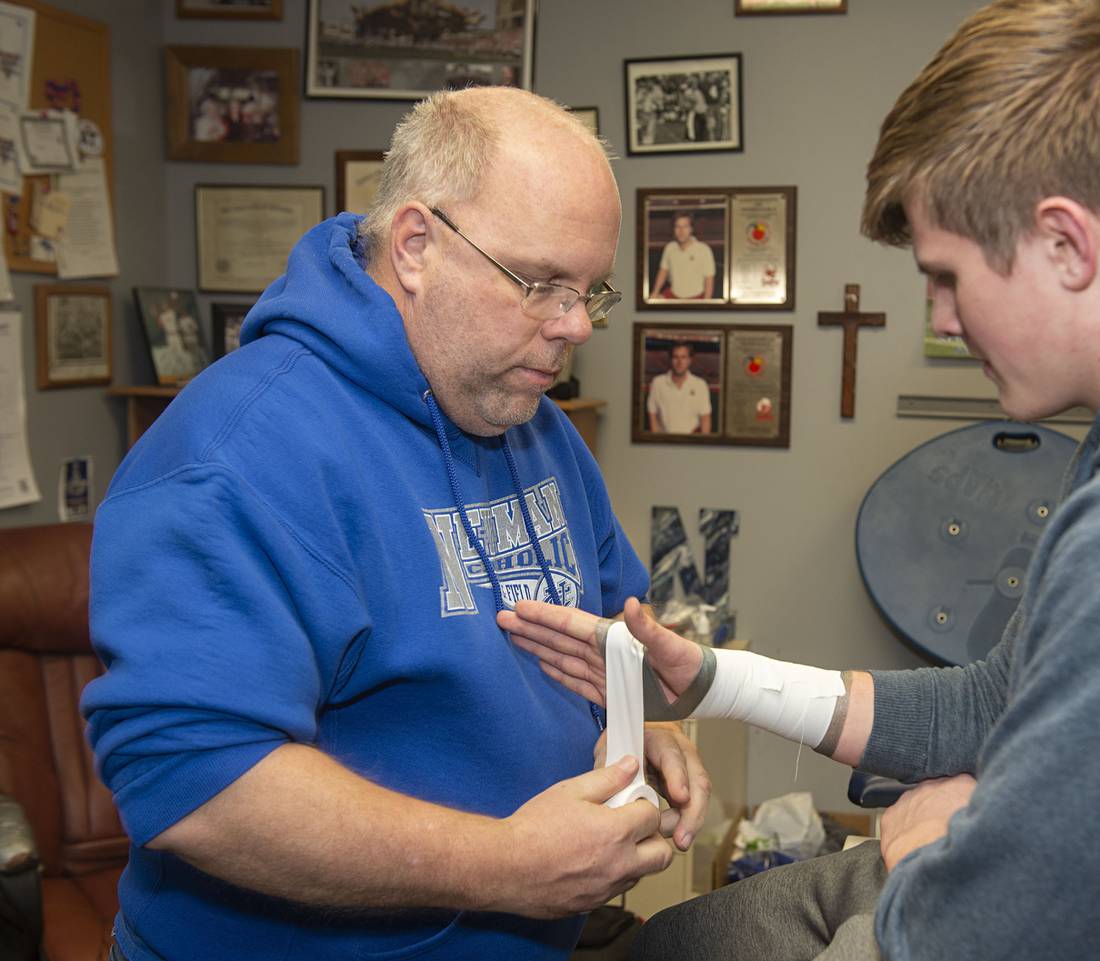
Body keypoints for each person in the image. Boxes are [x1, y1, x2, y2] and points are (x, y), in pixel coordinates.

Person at [501, 1, 1100, 959]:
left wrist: (913, 851)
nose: (942, 319)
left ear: (1065, 244)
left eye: (946, 276)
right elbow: (996, 705)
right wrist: (718, 680)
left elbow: (998, 930)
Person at [82, 87, 711, 961]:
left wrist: (644, 729)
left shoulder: (535, 423)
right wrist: (502, 864)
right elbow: (195, 786)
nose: (574, 326)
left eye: (588, 292)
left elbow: (611, 641)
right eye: (541, 285)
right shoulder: (234, 454)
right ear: (416, 245)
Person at [647, 341, 713, 434]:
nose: (679, 362)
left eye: (683, 357)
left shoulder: (700, 385)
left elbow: (705, 419)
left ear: (690, 360)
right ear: (670, 359)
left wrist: (702, 445)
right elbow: (652, 415)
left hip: (691, 444)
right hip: (664, 443)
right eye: (675, 357)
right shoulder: (657, 383)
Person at [651, 211, 716, 300]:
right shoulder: (670, 248)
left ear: (691, 229)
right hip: (673, 296)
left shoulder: (704, 250)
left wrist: (706, 304)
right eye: (678, 227)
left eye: (685, 227)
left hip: (696, 298)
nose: (681, 231)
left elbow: (709, 280)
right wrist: (655, 293)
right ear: (673, 229)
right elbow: (663, 272)